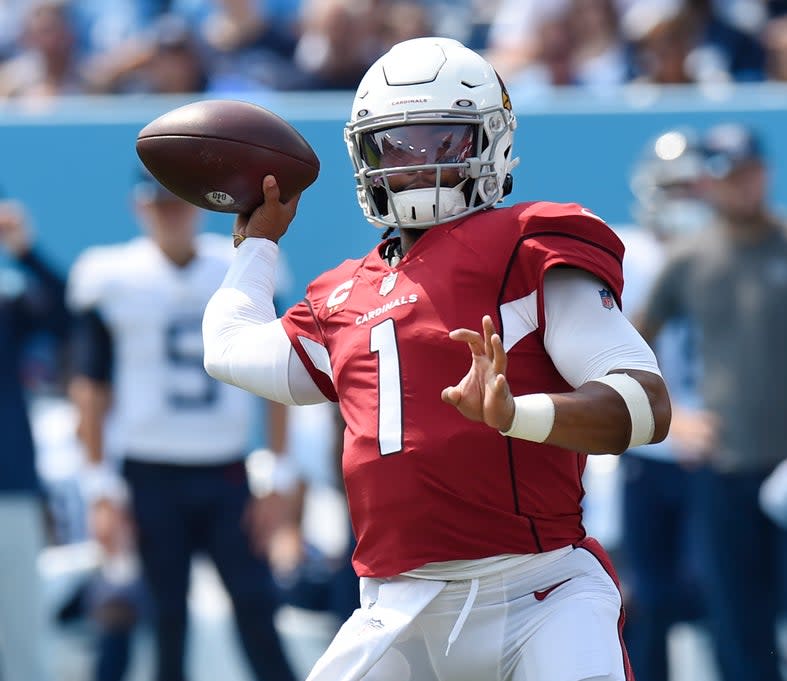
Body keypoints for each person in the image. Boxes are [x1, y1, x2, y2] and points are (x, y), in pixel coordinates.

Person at [202, 36, 671, 681]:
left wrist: (518, 414)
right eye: (394, 144)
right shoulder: (342, 292)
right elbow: (228, 351)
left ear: (490, 140)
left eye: (439, 141)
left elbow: (644, 406)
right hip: (395, 607)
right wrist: (256, 246)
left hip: (539, 592)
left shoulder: (527, 243)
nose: (414, 163)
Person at [635, 123, 787, 681]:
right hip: (723, 468)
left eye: (748, 173)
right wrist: (675, 420)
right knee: (738, 631)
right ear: (708, 184)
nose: (740, 186)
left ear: (766, 173)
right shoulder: (689, 256)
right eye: (726, 176)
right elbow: (633, 341)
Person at [67, 170, 299, 681]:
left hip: (226, 470)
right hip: (148, 474)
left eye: (178, 204)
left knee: (256, 605)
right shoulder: (113, 277)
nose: (170, 216)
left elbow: (277, 368)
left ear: (197, 206)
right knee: (165, 617)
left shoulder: (234, 265)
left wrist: (279, 479)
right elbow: (91, 390)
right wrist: (100, 488)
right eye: (159, 205)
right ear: (139, 209)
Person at [617, 125, 710, 681]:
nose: (686, 202)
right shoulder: (622, 251)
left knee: (720, 597)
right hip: (645, 443)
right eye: (675, 188)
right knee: (645, 599)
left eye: (694, 188)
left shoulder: (730, 251)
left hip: (720, 444)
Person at [0, 195, 68, 681]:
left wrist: (23, 249)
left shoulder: (8, 301)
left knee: (22, 636)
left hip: (9, 487)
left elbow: (65, 315)